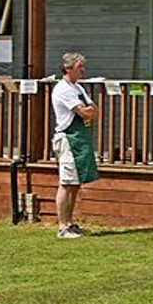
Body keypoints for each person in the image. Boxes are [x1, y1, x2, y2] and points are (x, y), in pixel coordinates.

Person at [50, 52, 99, 238]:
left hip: (81, 138)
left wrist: (88, 111)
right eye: (80, 67)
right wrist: (87, 111)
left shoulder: (78, 87)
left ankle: (70, 223)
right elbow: (85, 113)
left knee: (76, 183)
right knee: (66, 182)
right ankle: (62, 227)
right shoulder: (63, 89)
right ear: (68, 68)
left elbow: (94, 110)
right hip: (68, 138)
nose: (83, 70)